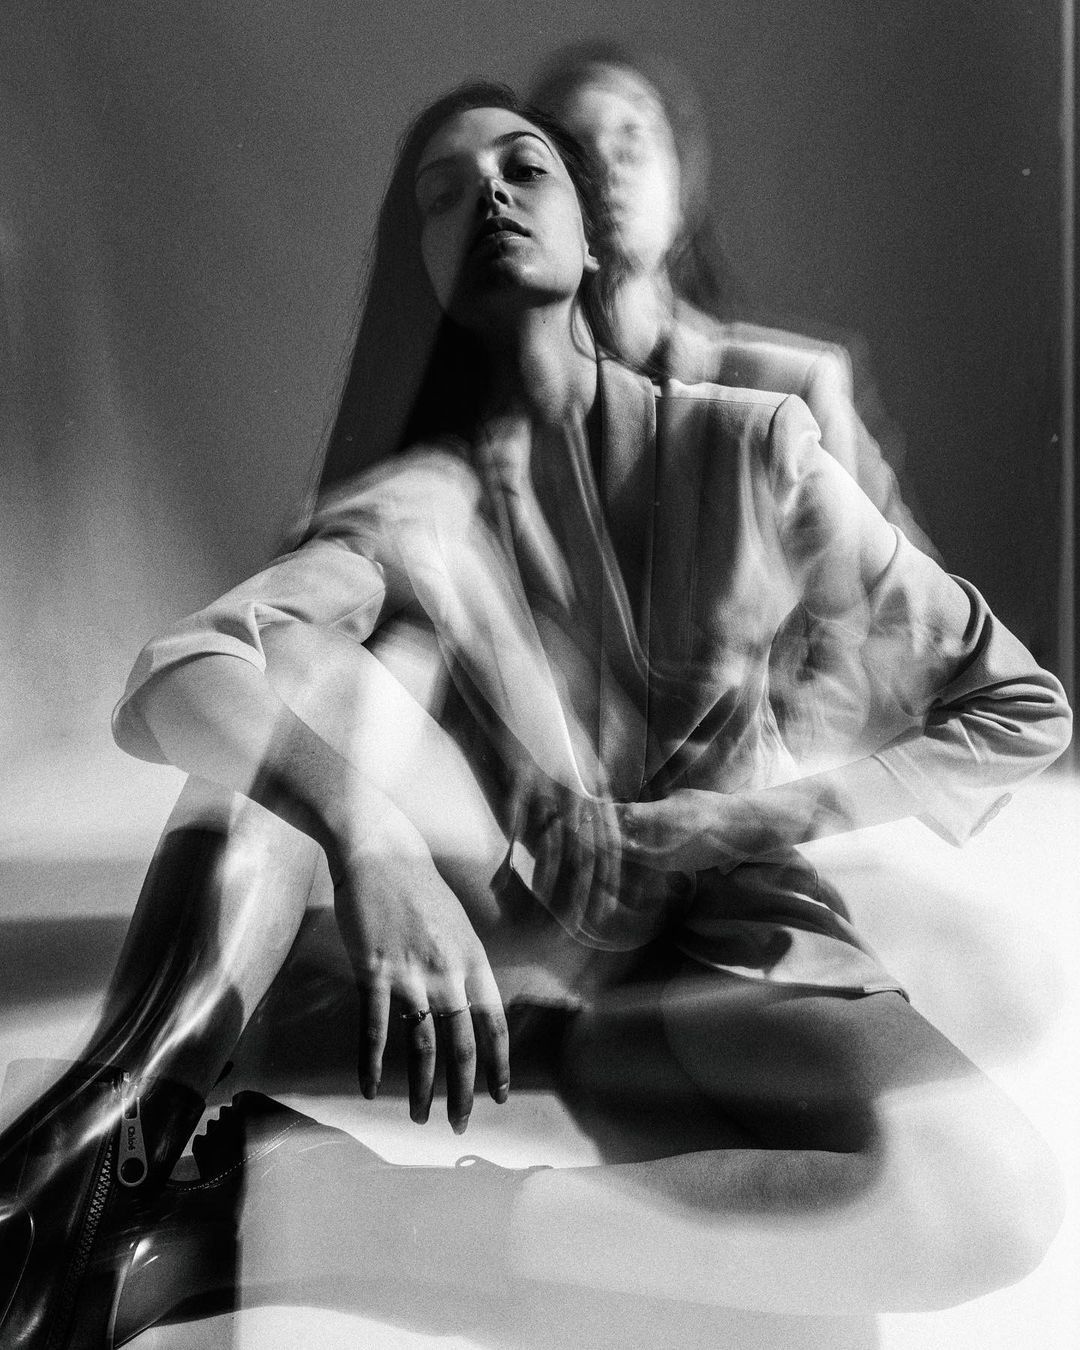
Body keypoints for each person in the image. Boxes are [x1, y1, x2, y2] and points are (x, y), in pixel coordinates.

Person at [0, 82, 1070, 1348]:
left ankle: (279, 1209)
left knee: (979, 1201)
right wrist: (371, 839)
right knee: (309, 667)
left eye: (525, 168)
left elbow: (1016, 706)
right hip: (528, 985)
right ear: (428, 272)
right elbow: (182, 673)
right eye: (444, 194)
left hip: (752, 956)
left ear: (592, 235)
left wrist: (739, 820)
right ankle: (114, 1123)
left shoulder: (756, 445)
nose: (491, 198)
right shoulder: (411, 507)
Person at [527, 42, 935, 554]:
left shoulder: (792, 387)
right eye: (575, 151)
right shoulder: (509, 423)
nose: (608, 167)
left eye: (633, 139)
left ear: (682, 196)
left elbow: (913, 597)